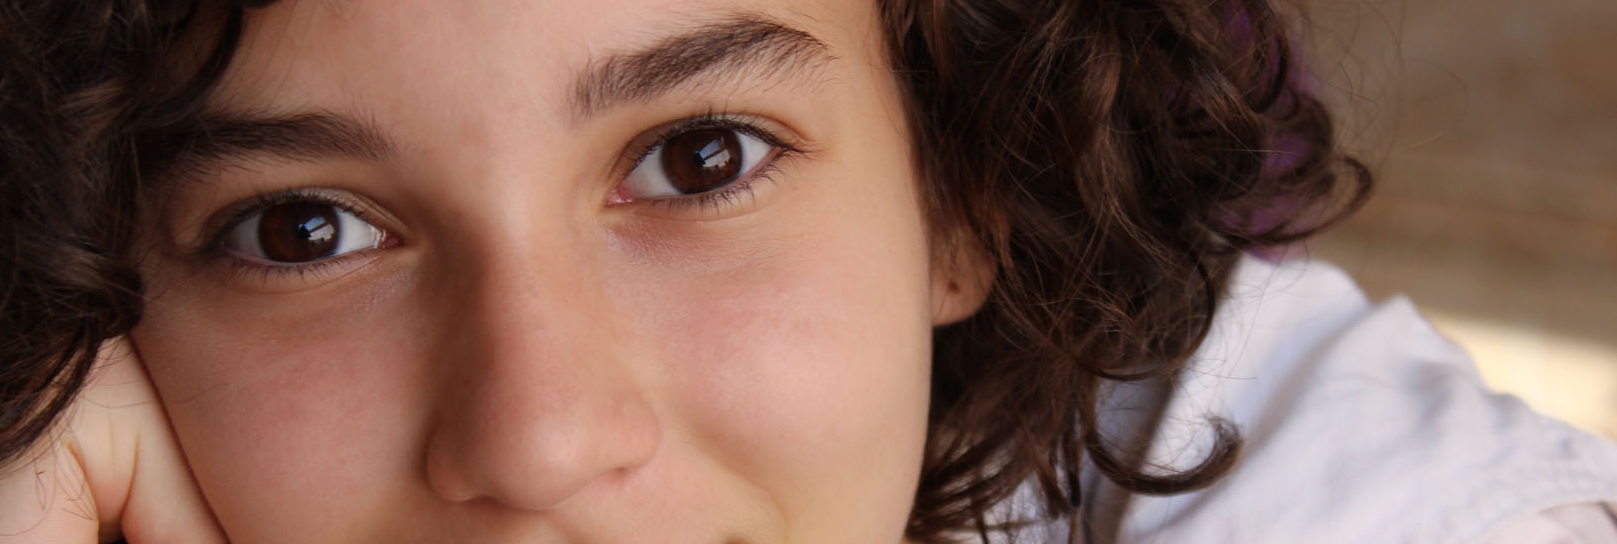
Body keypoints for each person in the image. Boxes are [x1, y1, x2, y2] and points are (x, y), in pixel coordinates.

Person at [1, 0, 1613, 543]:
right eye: (303, 231)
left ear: (964, 192)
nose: (539, 437)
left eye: (701, 158)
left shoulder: (1315, 471)